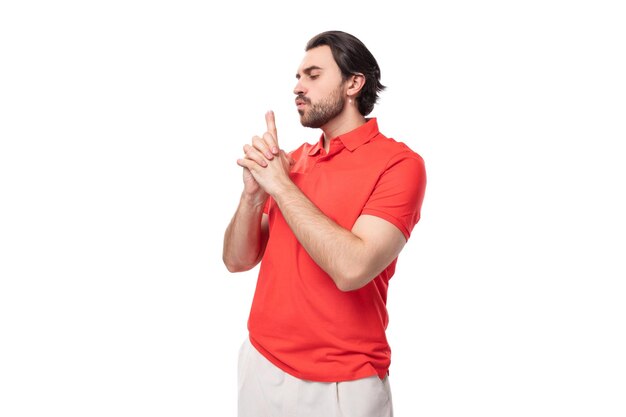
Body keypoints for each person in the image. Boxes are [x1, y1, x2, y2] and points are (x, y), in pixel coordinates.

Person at [222, 30, 426, 417]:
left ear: (353, 83)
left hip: (342, 383)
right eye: (298, 77)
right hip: (261, 364)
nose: (298, 87)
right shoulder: (293, 161)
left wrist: (280, 187)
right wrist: (253, 195)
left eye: (313, 76)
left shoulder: (399, 164)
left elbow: (353, 269)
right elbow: (236, 260)